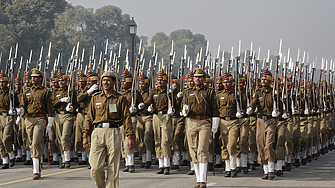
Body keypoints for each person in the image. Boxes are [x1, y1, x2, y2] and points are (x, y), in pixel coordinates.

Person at [83, 71, 134, 188]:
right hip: (97, 132)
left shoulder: (119, 98)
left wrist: (130, 136)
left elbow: (126, 118)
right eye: (104, 80)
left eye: (108, 80)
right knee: (95, 168)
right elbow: (89, 118)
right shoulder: (95, 98)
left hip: (114, 132)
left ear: (114, 83)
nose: (105, 82)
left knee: (113, 167)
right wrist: (85, 135)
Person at [181, 68, 219, 188]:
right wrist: (184, 111)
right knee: (193, 150)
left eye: (200, 77)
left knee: (202, 149)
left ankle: (203, 180)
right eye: (196, 77)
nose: (198, 79)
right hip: (191, 121)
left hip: (204, 122)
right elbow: (183, 107)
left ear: (204, 78)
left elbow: (215, 109)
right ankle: (198, 179)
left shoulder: (210, 92)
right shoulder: (187, 92)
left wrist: (215, 125)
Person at [20, 68, 54, 180]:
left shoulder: (45, 91)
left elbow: (50, 109)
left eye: (35, 77)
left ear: (40, 78)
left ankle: (36, 171)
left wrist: (49, 124)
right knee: (32, 143)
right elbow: (23, 106)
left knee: (35, 142)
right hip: (29, 120)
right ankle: (38, 162)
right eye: (32, 77)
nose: (33, 79)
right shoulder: (26, 92)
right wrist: (21, 111)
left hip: (40, 119)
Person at [247, 69, 278, 180]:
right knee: (260, 145)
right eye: (262, 79)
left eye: (265, 79)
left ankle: (271, 169)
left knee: (268, 145)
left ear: (270, 80)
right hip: (260, 120)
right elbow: (253, 102)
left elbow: (280, 105)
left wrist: (277, 109)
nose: (263, 81)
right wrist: (250, 108)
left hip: (271, 121)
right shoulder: (258, 92)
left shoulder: (274, 92)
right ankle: (265, 170)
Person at [143, 68, 175, 175]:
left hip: (166, 116)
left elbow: (176, 104)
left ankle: (167, 165)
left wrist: (173, 95)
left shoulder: (168, 92)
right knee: (157, 140)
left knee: (165, 140)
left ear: (166, 81)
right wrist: (142, 105)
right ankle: (161, 165)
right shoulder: (153, 92)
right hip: (156, 116)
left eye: (162, 80)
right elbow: (148, 102)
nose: (159, 82)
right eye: (158, 80)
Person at [52, 71, 77, 168]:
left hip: (68, 115)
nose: (61, 82)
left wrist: (72, 107)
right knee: (59, 139)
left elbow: (77, 102)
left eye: (63, 80)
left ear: (67, 81)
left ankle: (67, 159)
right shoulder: (55, 92)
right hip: (58, 115)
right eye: (60, 80)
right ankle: (63, 158)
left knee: (65, 137)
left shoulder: (71, 91)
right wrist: (60, 100)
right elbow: (52, 104)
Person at [217, 72, 240, 177]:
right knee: (225, 145)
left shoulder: (237, 94)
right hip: (223, 122)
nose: (225, 84)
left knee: (232, 144)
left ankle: (233, 167)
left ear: (232, 83)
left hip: (234, 121)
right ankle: (227, 168)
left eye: (228, 82)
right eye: (224, 82)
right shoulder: (219, 94)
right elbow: (216, 109)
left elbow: (244, 105)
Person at [0, 71, 18, 169]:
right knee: (0, 141)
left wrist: (14, 109)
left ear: (7, 83)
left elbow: (18, 106)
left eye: (3, 82)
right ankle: (5, 161)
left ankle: (11, 154)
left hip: (9, 117)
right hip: (0, 117)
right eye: (0, 82)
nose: (1, 84)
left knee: (6, 138)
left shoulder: (12, 93)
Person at [136, 71, 153, 168]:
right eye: (140, 83)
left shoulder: (150, 93)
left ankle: (149, 159)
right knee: (140, 139)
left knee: (147, 137)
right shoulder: (136, 93)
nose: (141, 85)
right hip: (139, 116)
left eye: (143, 83)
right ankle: (143, 159)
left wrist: (152, 108)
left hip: (148, 116)